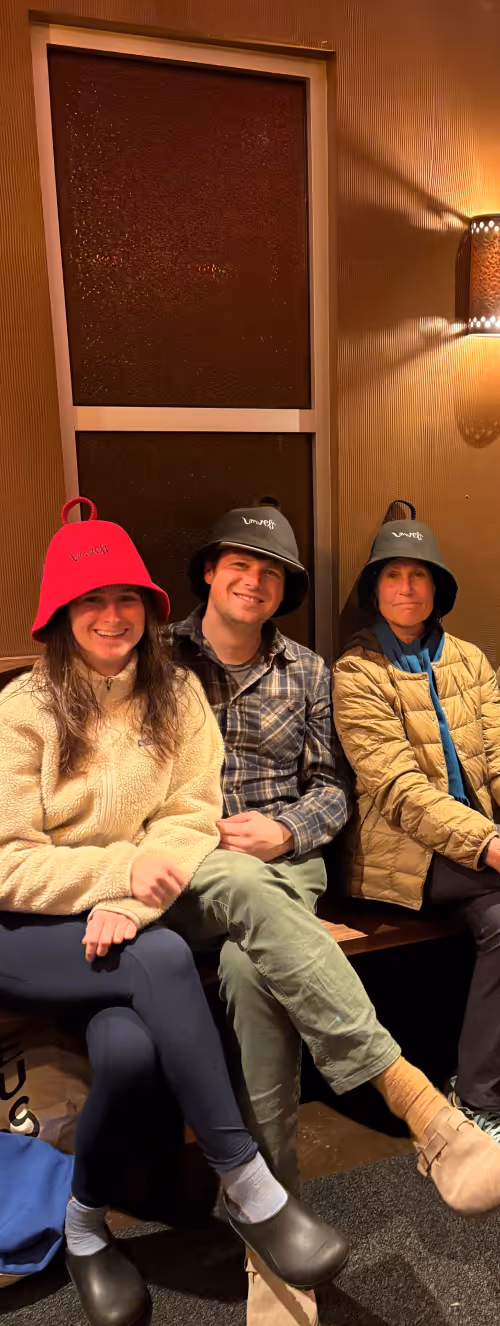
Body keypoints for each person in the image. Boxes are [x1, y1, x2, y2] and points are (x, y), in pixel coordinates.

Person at [0, 497, 349, 1326]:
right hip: (24, 926)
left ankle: (84, 1227)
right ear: (62, 614)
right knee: (161, 961)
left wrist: (130, 897)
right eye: (93, 601)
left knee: (125, 1052)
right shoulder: (24, 708)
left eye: (127, 599)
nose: (113, 616)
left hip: (127, 918)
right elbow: (8, 859)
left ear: (150, 608)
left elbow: (192, 817)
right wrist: (120, 876)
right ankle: (251, 1187)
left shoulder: (178, 696)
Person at [159, 501, 500, 1326]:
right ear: (208, 571)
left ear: (283, 593)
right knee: (241, 915)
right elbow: (384, 786)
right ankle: (425, 1108)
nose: (254, 579)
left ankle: (266, 1227)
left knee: (252, 966)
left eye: (271, 571)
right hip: (185, 868)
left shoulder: (306, 671)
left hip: (287, 868)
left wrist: (284, 829)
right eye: (240, 563)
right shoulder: (158, 663)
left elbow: (331, 790)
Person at [333, 505, 500, 1154]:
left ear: (438, 588)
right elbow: (399, 792)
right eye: (393, 575)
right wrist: (485, 842)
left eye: (420, 575)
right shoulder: (356, 672)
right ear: (376, 589)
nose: (407, 588)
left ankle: (481, 1085)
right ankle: (482, 1100)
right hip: (402, 855)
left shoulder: (470, 660)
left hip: (478, 847)